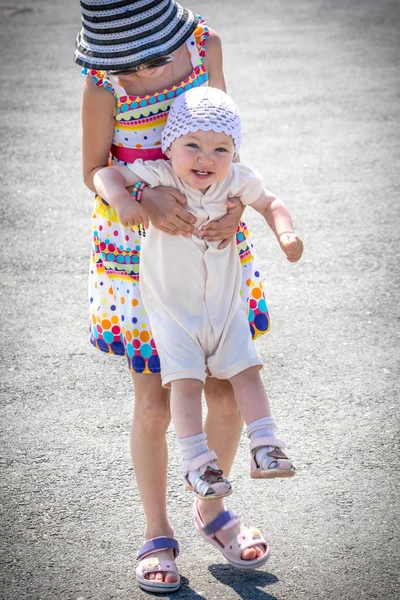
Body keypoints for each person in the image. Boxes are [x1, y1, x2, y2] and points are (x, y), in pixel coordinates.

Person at [75, 0, 282, 593]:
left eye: (147, 57)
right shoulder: (102, 86)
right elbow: (93, 166)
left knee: (226, 391)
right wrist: (136, 200)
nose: (136, 72)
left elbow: (227, 138)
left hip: (212, 238)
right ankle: (156, 530)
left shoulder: (205, 47)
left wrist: (241, 203)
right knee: (155, 403)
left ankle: (212, 510)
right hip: (139, 251)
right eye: (123, 63)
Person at [94, 84, 302, 496]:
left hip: (225, 307)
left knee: (247, 372)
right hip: (175, 313)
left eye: (221, 149)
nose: (206, 158)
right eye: (192, 145)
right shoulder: (160, 176)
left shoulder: (236, 181)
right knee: (185, 383)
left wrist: (287, 235)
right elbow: (104, 172)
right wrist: (123, 198)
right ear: (169, 146)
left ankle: (265, 445)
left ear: (234, 153)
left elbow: (271, 203)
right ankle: (197, 463)